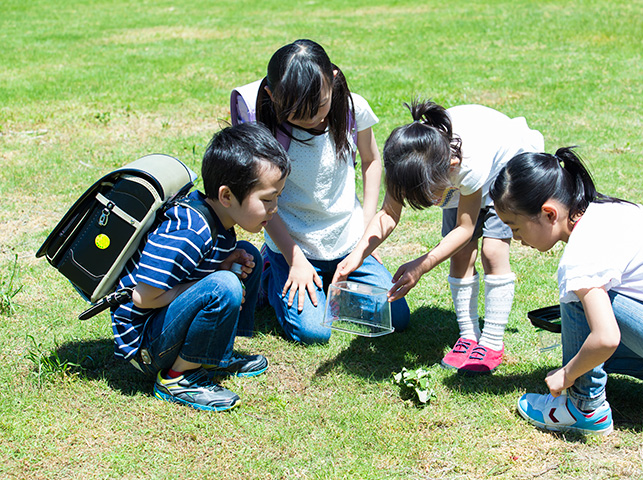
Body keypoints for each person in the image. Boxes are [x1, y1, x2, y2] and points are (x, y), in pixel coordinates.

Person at [489, 147, 643, 435]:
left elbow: (607, 338)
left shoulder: (580, 257)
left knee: (579, 301)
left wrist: (566, 374)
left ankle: (585, 407)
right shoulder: (608, 212)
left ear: (549, 213)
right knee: (590, 316)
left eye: (515, 226)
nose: (515, 238)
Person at [334, 100, 544, 375]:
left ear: (450, 167)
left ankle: (492, 342)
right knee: (460, 254)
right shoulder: (405, 162)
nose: (433, 201)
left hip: (503, 168)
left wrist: (420, 266)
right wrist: (356, 254)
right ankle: (468, 337)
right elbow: (387, 214)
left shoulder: (466, 165)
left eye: (431, 192)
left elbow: (465, 228)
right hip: (454, 179)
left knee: (493, 251)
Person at [110, 123, 290, 411]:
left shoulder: (219, 219)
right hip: (147, 345)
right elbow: (143, 296)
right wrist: (215, 278)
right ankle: (178, 377)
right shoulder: (191, 230)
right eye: (267, 199)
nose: (274, 208)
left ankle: (216, 355)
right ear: (227, 196)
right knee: (225, 284)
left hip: (166, 324)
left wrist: (221, 263)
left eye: (277, 197)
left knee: (244, 255)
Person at [254, 39, 410, 344]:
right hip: (293, 245)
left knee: (398, 317)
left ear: (334, 79)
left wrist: (366, 234)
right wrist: (294, 258)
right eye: (297, 114)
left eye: (320, 106)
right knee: (314, 332)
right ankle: (272, 271)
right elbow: (262, 200)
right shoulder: (267, 130)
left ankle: (326, 285)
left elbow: (371, 161)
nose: (312, 119)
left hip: (347, 243)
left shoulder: (354, 109)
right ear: (272, 97)